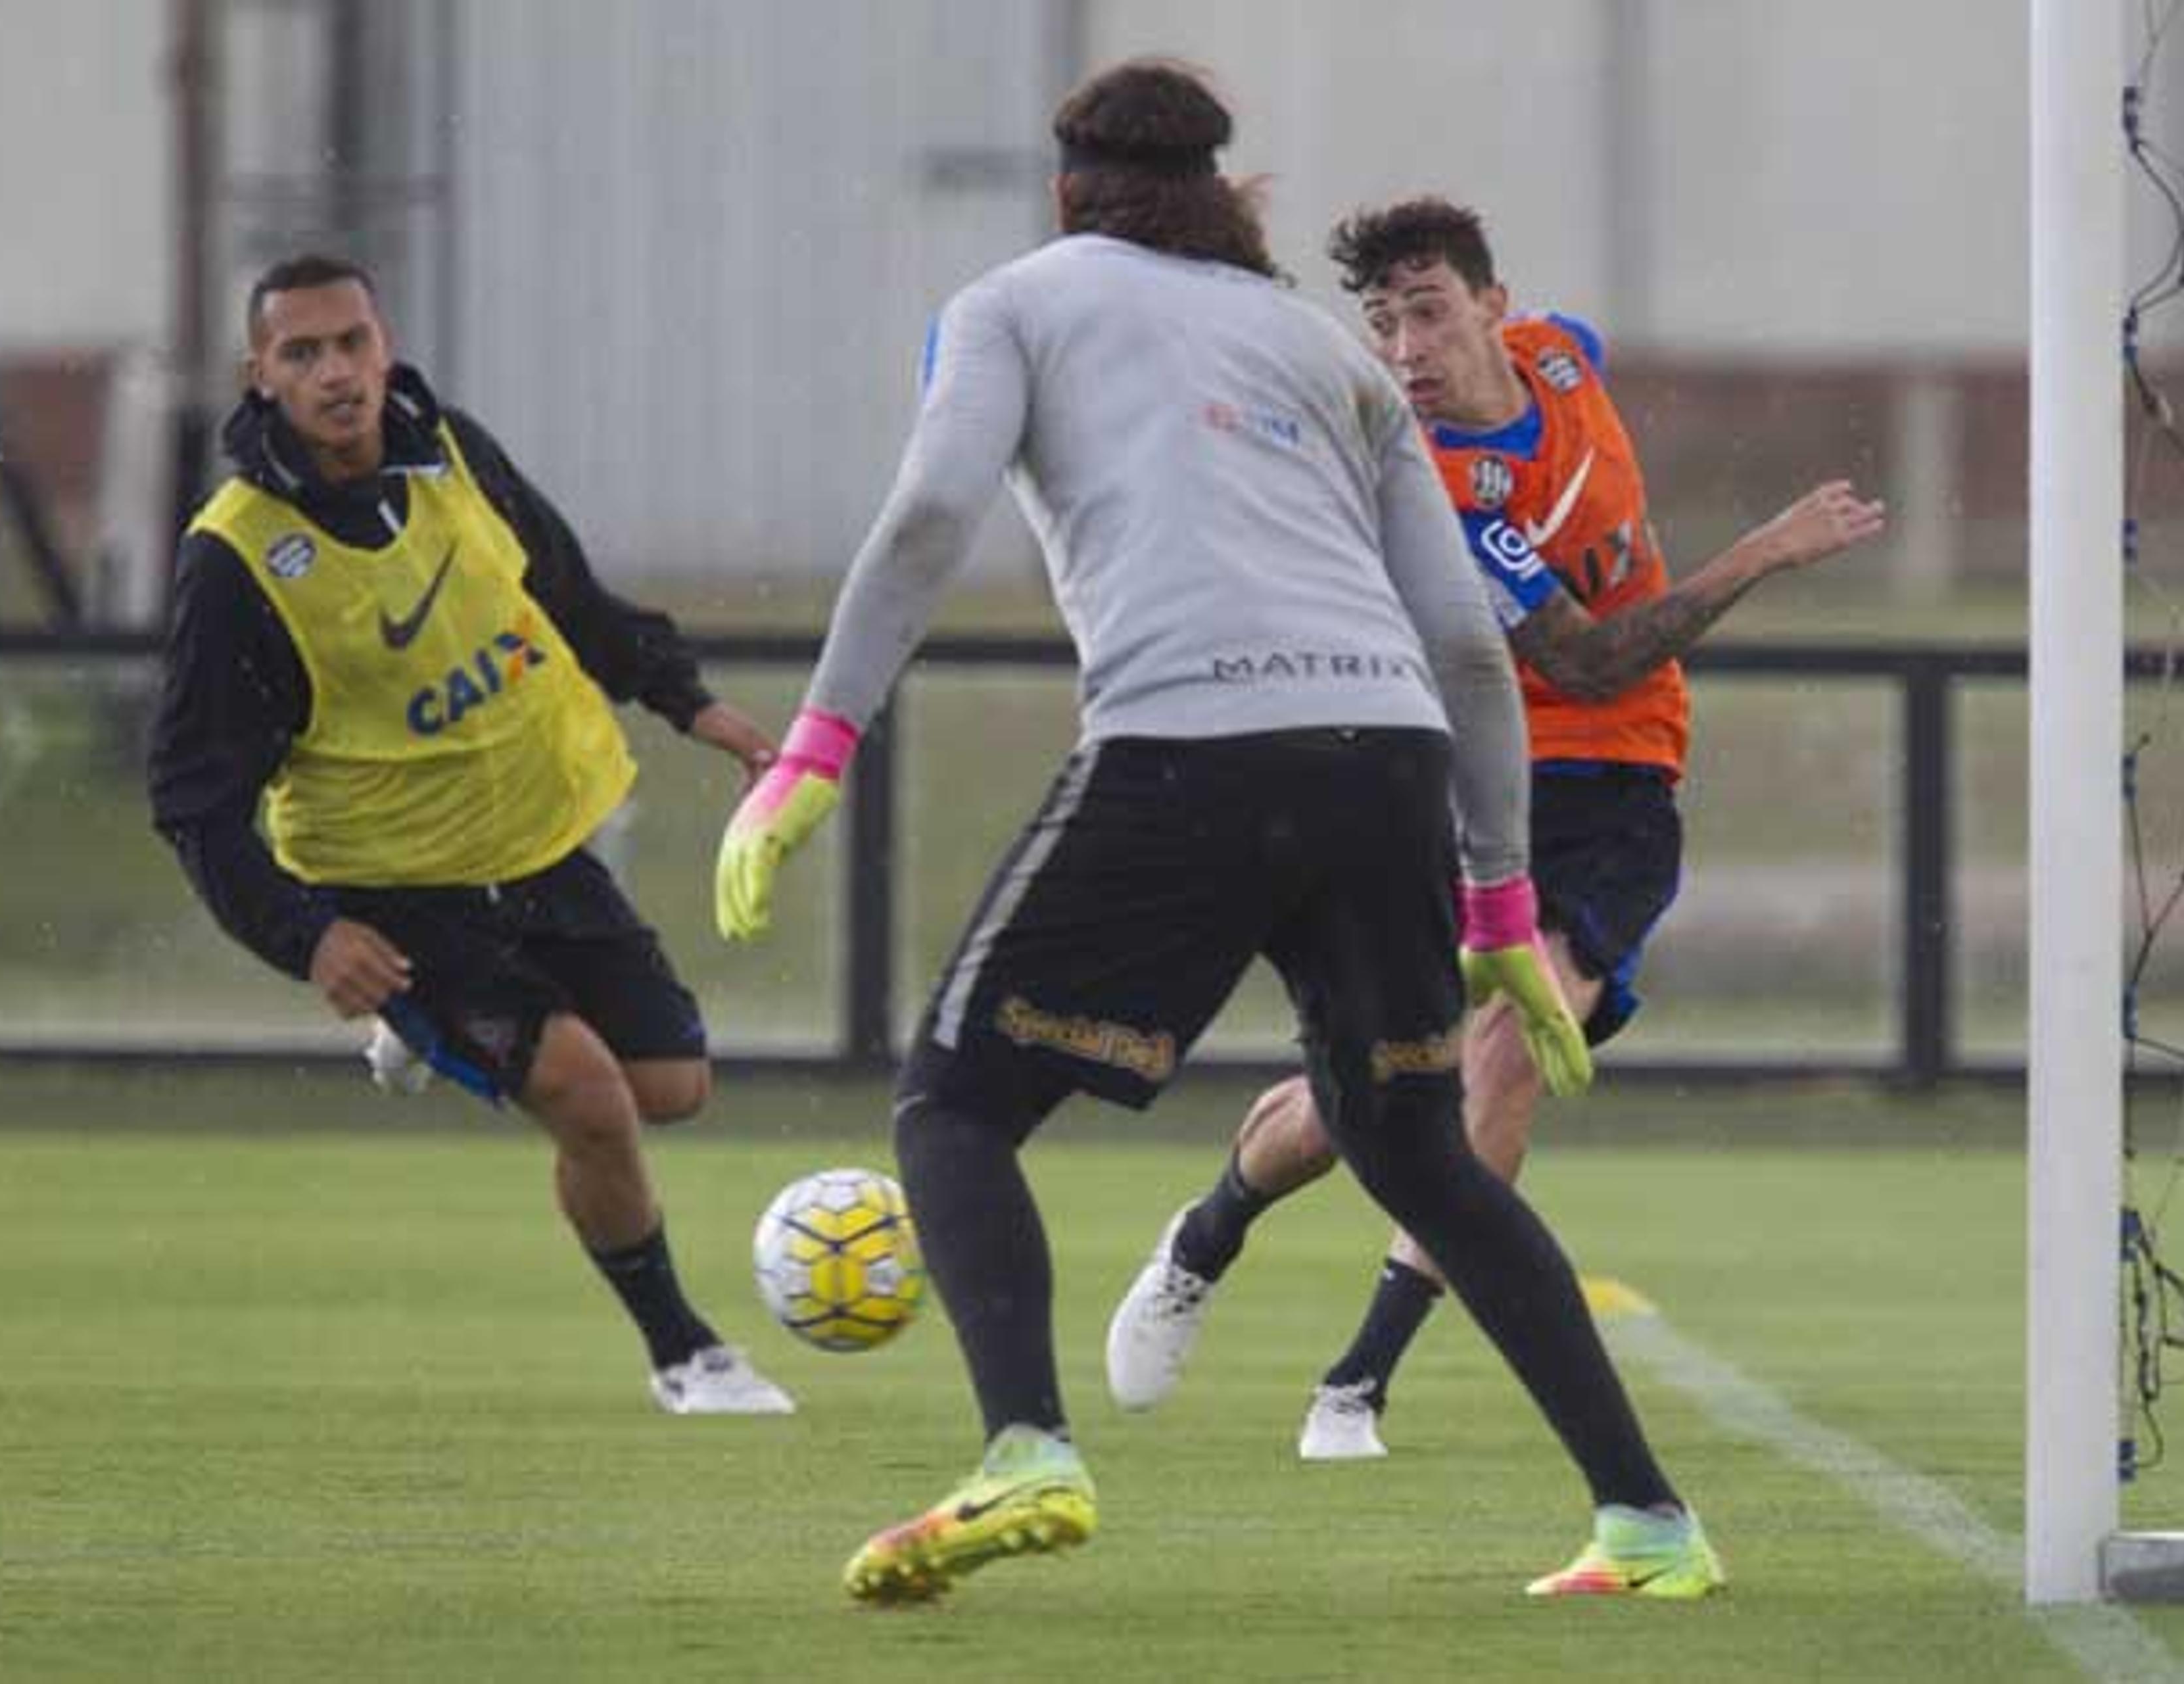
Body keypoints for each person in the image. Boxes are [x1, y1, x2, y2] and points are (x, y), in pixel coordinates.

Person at [715, 60, 1722, 1604]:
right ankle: (1651, 1526)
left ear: (1070, 191)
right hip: (1385, 759)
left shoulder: (1013, 302)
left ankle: (1026, 1454)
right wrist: (1503, 905)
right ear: (1212, 189)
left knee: (953, 1108)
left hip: (1191, 741)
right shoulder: (1325, 350)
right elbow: (1463, 641)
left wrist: (815, 749)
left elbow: (928, 516)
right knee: (1423, 1157)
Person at [1104, 196, 1886, 1461]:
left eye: (1425, 310)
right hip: (1476, 778)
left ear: (1493, 305)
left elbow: (1612, 632)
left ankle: (1356, 1380)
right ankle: (1206, 1237)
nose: (1405, 345)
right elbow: (1585, 662)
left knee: (1513, 1051)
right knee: (1379, 1088)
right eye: (1380, 322)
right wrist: (1763, 552)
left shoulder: (1569, 350)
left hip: (1617, 793)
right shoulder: (1446, 486)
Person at [148, 253, 795, 1418]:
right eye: (302, 354)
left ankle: (428, 1038)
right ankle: (685, 1354)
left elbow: (569, 589)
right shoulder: (238, 558)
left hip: (542, 852)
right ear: (261, 378)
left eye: (350, 342)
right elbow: (193, 800)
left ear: (384, 343)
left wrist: (689, 701)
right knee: (589, 1098)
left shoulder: (451, 451)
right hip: (394, 892)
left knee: (672, 1085)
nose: (335, 372)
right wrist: (311, 936)